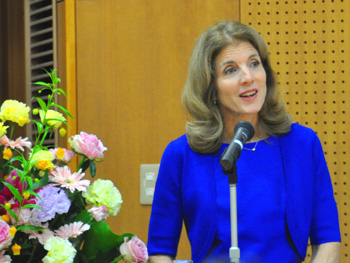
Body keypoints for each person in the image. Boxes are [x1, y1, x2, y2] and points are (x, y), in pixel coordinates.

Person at [147, 21, 341, 263]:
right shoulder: (181, 155)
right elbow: (160, 251)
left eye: (254, 64)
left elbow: (328, 240)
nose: (248, 77)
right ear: (210, 88)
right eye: (231, 70)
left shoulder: (303, 144)